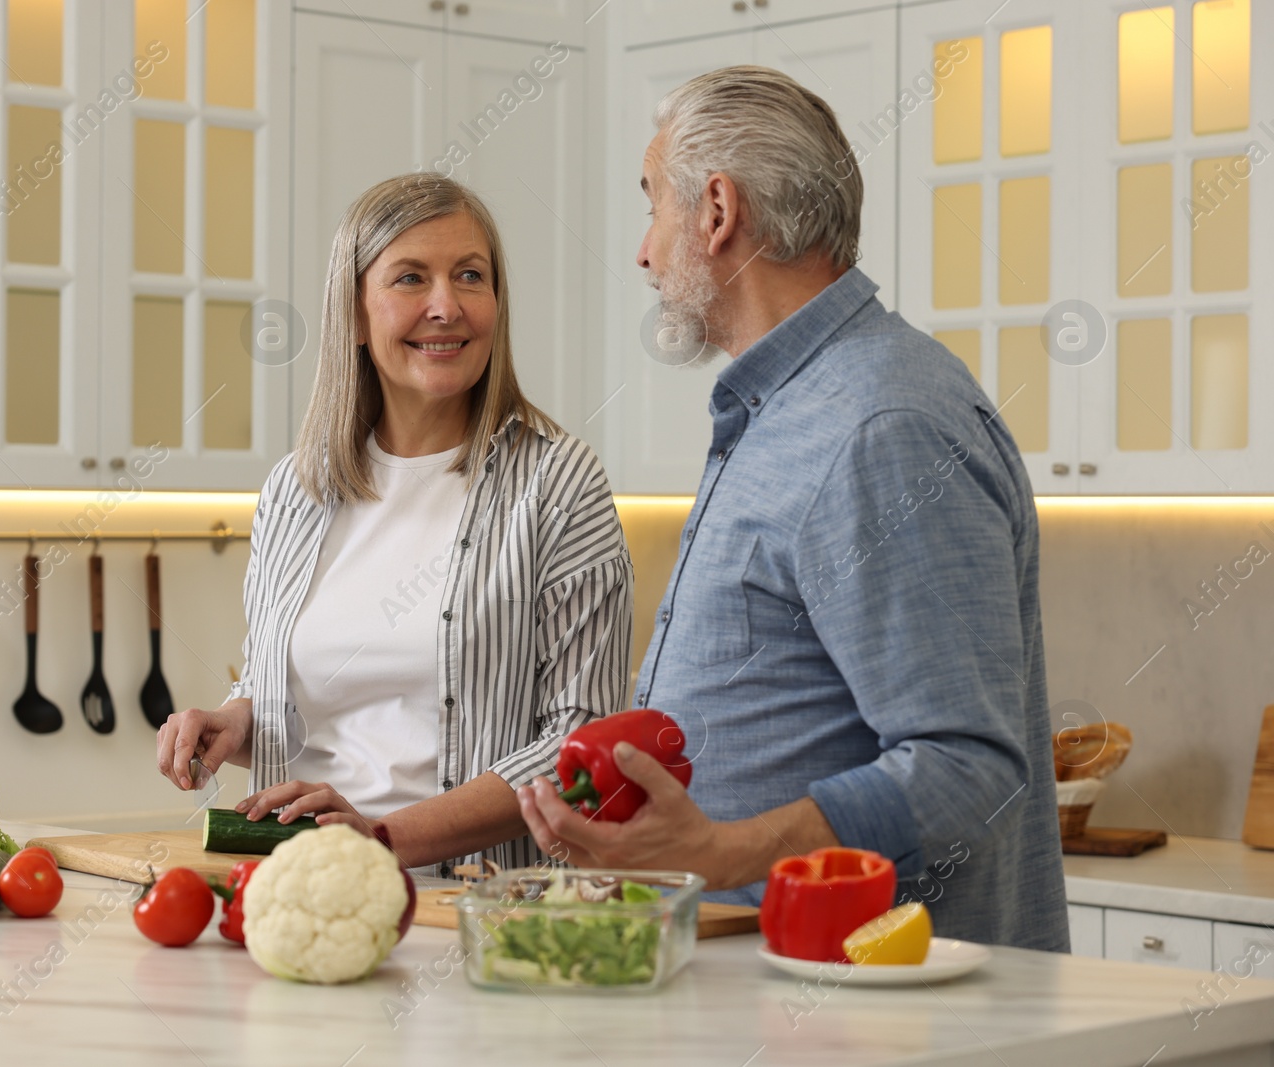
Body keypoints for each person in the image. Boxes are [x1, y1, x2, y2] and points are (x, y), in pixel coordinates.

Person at [517, 66, 1068, 951]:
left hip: (887, 1020)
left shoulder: (878, 424)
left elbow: (971, 770)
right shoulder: (792, 409)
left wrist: (715, 850)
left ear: (718, 210)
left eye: (654, 205)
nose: (644, 252)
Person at [157, 174, 633, 876]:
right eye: (411, 278)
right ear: (352, 313)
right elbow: (303, 695)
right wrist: (237, 722)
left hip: (473, 912)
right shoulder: (296, 490)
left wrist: (380, 837)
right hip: (300, 888)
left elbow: (580, 747)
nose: (446, 306)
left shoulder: (557, 483)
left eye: (470, 276)